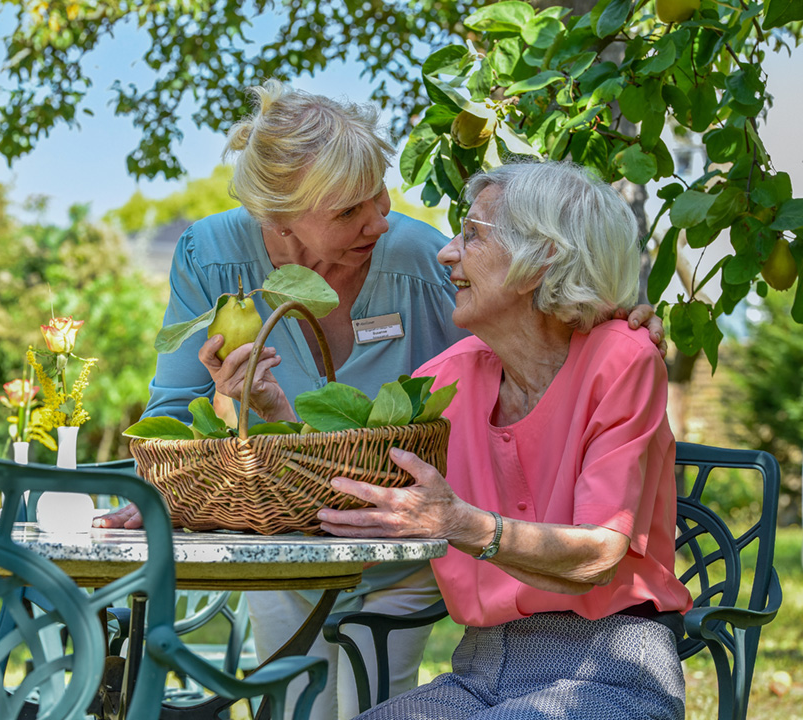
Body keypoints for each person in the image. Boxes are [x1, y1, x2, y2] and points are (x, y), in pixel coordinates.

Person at [100, 81, 666, 720]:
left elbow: (540, 329)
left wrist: (610, 319)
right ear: (278, 219)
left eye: (379, 193)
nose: (381, 220)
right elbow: (193, 409)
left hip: (506, 603)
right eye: (348, 211)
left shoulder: (429, 269)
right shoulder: (217, 259)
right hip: (320, 547)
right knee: (297, 706)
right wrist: (235, 439)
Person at [301, 160, 693, 719]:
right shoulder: (445, 380)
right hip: (479, 671)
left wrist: (459, 523)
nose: (446, 254)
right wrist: (268, 411)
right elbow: (347, 479)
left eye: (472, 235)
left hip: (611, 668)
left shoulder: (622, 358)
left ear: (543, 258)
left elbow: (600, 555)